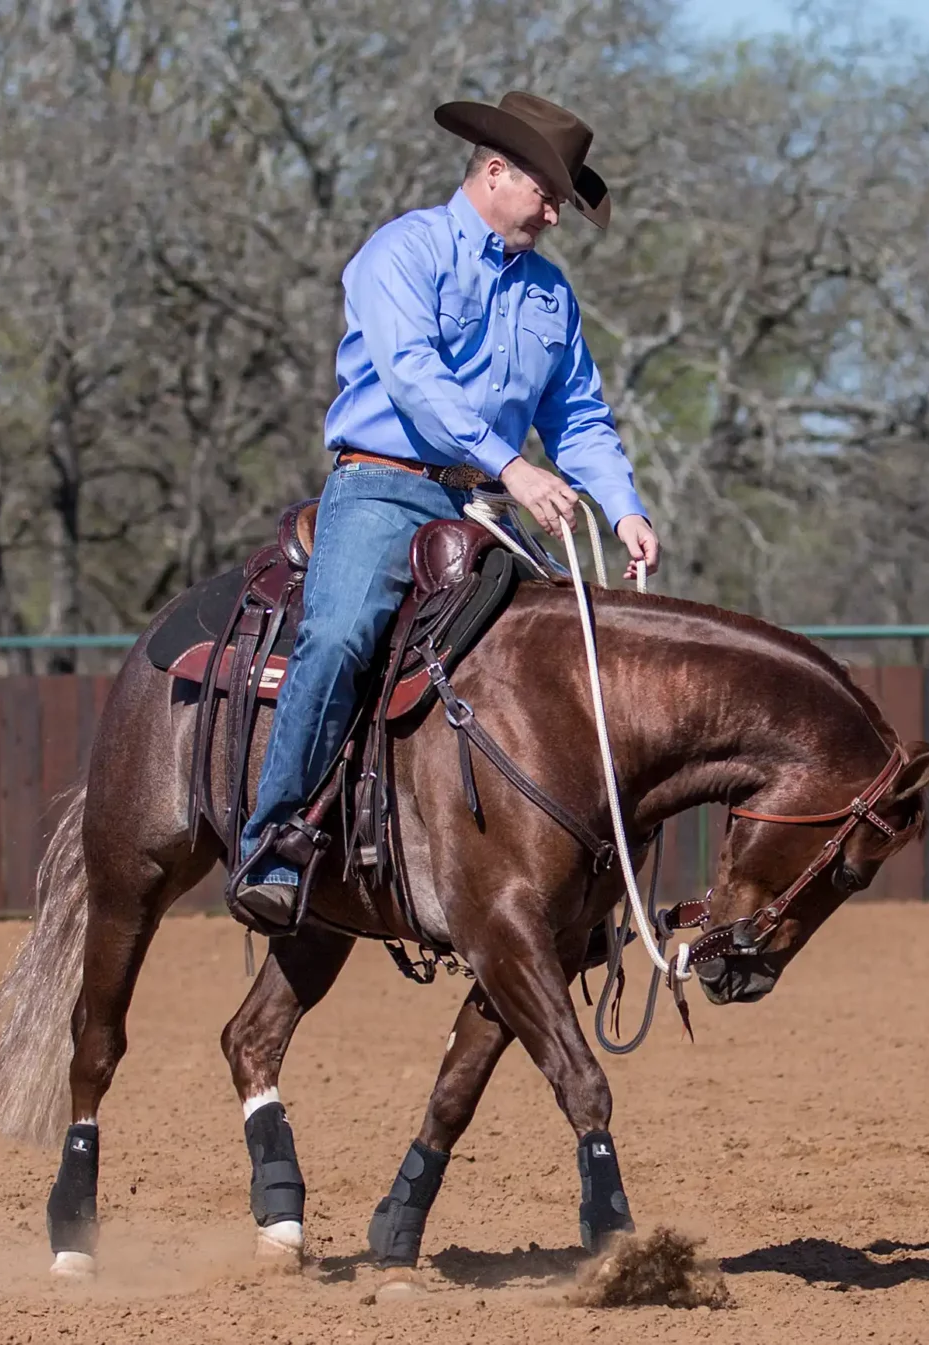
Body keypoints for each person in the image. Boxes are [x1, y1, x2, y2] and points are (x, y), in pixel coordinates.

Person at [228, 90, 661, 932]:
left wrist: (623, 508)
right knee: (340, 635)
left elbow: (577, 416)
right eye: (547, 196)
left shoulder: (550, 296)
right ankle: (272, 842)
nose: (555, 217)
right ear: (495, 171)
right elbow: (413, 376)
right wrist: (513, 466)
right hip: (385, 485)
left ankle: (561, 872)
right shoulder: (404, 251)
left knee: (569, 649)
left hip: (483, 506)